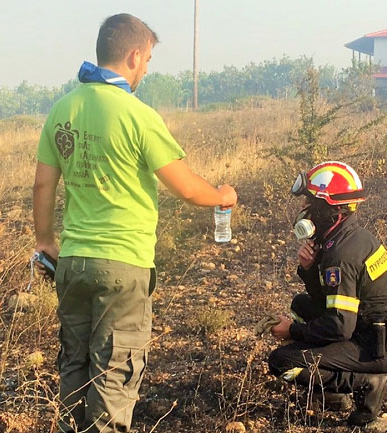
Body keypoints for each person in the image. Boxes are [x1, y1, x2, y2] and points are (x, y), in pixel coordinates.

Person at [33, 14, 237, 433]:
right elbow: (186, 188)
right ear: (133, 55)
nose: (145, 69)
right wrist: (222, 195)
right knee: (114, 370)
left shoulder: (62, 109)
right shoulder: (138, 115)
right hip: (123, 265)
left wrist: (45, 241)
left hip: (71, 262)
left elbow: (42, 185)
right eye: (146, 60)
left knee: (74, 361)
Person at [267, 161, 387, 426]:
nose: (305, 210)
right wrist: (311, 270)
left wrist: (292, 332)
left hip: (377, 346)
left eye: (311, 203)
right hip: (378, 330)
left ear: (328, 209)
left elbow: (339, 327)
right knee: (301, 305)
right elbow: (327, 301)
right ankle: (336, 395)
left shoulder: (341, 254)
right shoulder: (349, 236)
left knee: (281, 362)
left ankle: (368, 382)